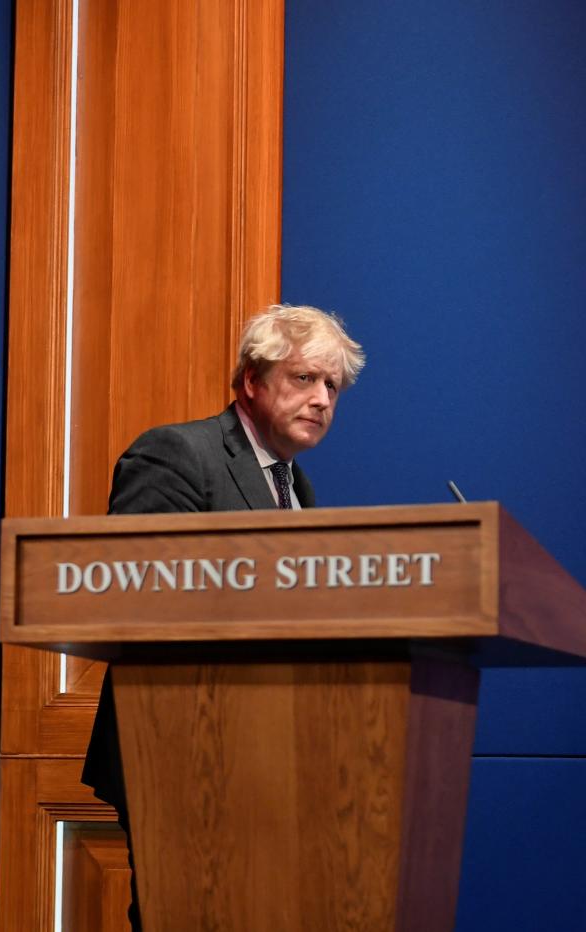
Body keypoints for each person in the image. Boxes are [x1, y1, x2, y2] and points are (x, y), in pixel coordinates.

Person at [80, 303, 365, 931]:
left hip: (270, 755)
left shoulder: (297, 487)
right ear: (250, 381)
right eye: (304, 379)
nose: (321, 399)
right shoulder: (178, 452)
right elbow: (138, 593)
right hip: (184, 749)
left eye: (332, 387)